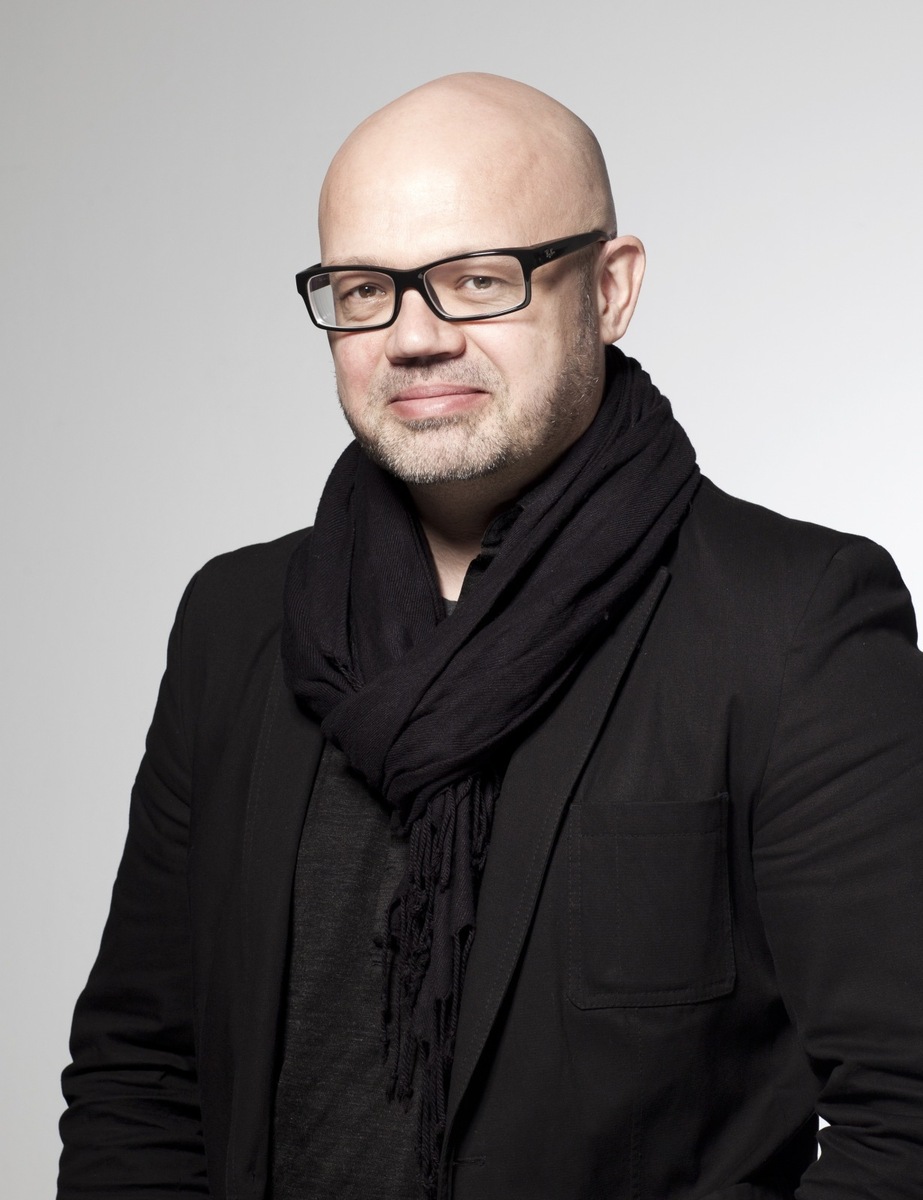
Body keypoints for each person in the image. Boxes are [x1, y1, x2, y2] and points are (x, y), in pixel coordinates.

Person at [58, 72, 923, 1200]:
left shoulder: (793, 620)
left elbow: (904, 1114)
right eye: (364, 290)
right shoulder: (236, 620)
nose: (413, 337)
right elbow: (141, 1075)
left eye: (477, 280)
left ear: (609, 289)